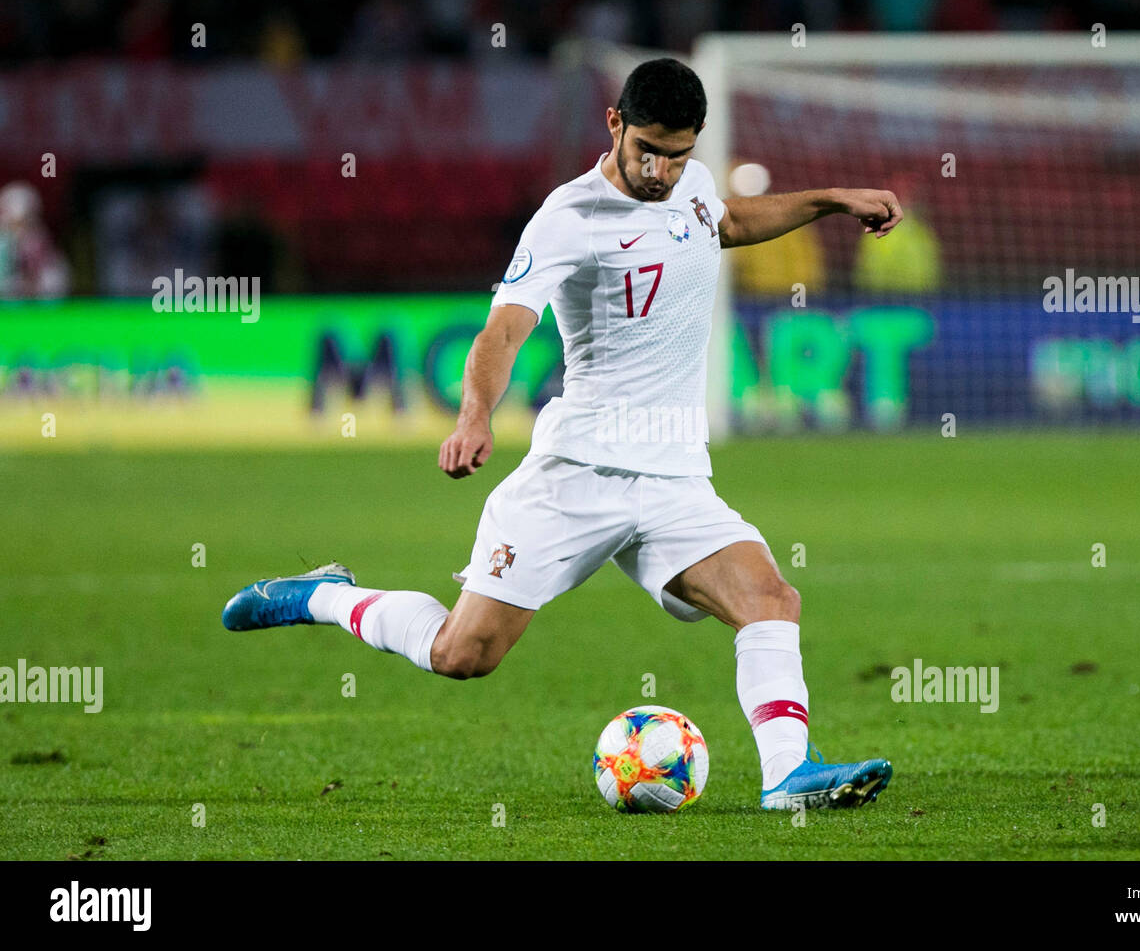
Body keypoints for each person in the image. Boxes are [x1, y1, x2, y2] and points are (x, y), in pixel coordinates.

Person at [222, 59, 903, 810]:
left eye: (678, 153)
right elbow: (503, 331)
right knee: (462, 654)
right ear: (613, 123)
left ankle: (787, 776)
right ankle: (326, 597)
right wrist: (474, 416)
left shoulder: (695, 186)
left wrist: (833, 201)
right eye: (648, 147)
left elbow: (732, 222)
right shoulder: (568, 217)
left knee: (771, 600)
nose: (662, 168)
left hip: (675, 479)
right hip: (578, 472)